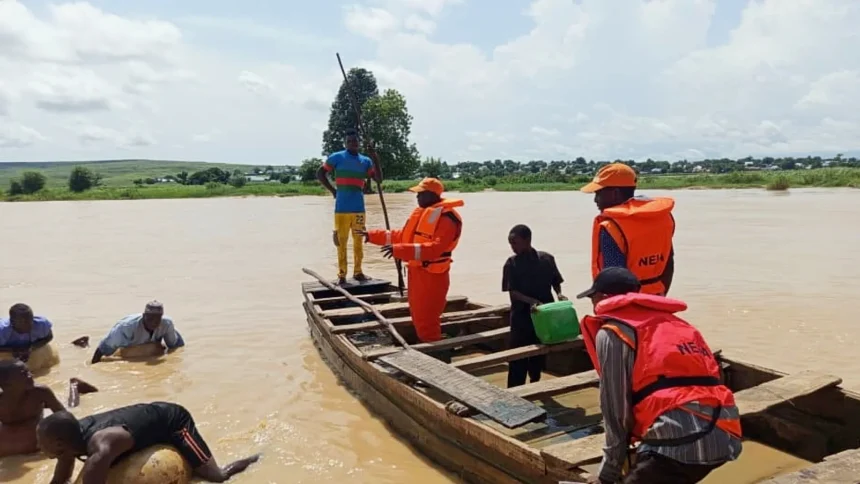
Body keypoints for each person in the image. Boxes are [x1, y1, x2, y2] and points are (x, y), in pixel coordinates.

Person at [576, 267, 742, 484]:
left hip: (679, 441)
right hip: (725, 435)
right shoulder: (679, 325)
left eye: (593, 298)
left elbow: (615, 410)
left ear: (604, 298)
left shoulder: (612, 332)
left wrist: (607, 474)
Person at [37, 402, 261, 483]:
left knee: (216, 477)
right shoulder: (68, 443)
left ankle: (258, 456)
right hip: (142, 425)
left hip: (172, 422)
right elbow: (60, 481)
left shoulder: (101, 448)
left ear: (58, 443)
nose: (38, 446)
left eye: (41, 441)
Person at [357, 177, 463, 344]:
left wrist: (399, 250)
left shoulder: (446, 219)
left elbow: (434, 248)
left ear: (431, 195)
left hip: (432, 275)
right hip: (417, 272)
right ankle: (429, 344)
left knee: (427, 317)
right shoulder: (424, 214)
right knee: (418, 314)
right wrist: (372, 235)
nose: (417, 197)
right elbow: (402, 236)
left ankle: (435, 352)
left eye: (420, 194)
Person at [580, 162, 676, 296]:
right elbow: (668, 263)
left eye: (599, 193)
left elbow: (614, 279)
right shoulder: (662, 218)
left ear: (615, 193)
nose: (596, 200)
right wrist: (661, 296)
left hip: (626, 303)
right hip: (657, 296)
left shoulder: (611, 226)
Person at [502, 224, 566, 387]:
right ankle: (515, 390)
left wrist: (559, 294)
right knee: (518, 355)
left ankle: (535, 380)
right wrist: (531, 301)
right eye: (510, 244)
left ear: (527, 240)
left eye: (515, 243)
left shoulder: (547, 259)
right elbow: (513, 292)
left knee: (539, 351)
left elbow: (555, 282)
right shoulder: (511, 264)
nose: (512, 247)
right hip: (522, 317)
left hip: (544, 315)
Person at [317, 128, 382, 284]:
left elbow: (378, 179)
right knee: (341, 242)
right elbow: (320, 173)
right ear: (345, 143)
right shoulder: (336, 158)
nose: (353, 144)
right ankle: (342, 275)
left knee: (359, 241)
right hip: (341, 209)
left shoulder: (365, 161)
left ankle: (358, 272)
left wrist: (375, 157)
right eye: (349, 141)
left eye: (355, 141)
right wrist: (333, 190)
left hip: (359, 208)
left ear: (358, 143)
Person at [0, 360, 65, 457]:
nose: (30, 376)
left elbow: (64, 417)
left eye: (28, 371)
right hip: (14, 432)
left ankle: (75, 386)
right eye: (23, 374)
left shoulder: (40, 392)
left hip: (34, 425)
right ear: (6, 385)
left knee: (73, 404)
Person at [91, 301, 184, 364]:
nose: (153, 322)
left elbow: (175, 346)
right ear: (144, 316)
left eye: (157, 319)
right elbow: (102, 349)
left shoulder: (166, 323)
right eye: (150, 318)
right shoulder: (126, 327)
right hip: (129, 347)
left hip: (152, 346)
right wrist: (94, 365)